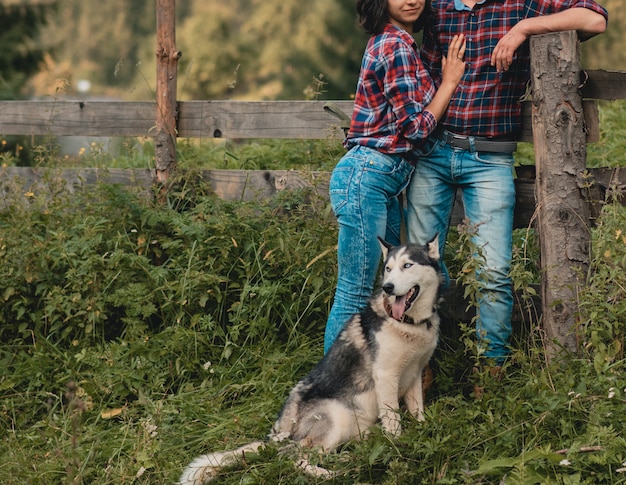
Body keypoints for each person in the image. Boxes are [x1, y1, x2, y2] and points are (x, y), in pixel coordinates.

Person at [405, 0, 608, 370]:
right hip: (433, 152)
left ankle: (491, 371)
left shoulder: (520, 4)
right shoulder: (436, 7)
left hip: (489, 160)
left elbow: (595, 18)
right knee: (418, 267)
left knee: (494, 274)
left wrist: (525, 28)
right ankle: (418, 369)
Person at [324, 0, 467, 353]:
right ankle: (329, 388)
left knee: (383, 286)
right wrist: (449, 83)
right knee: (355, 290)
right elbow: (415, 128)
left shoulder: (399, 43)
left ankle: (371, 381)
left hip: (382, 182)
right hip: (366, 178)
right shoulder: (394, 45)